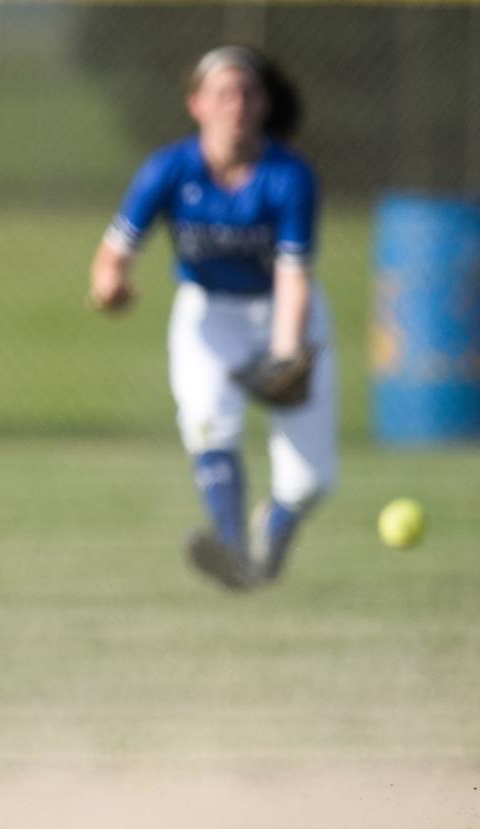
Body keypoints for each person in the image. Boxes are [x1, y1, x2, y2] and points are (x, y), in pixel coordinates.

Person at [87, 45, 337, 590]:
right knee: (208, 422)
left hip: (285, 312)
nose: (237, 104)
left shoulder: (289, 176)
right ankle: (232, 548)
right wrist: (110, 286)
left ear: (265, 104)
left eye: (248, 92)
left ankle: (274, 521)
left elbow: (295, 276)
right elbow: (114, 255)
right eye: (223, 93)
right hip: (210, 313)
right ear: (197, 104)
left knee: (311, 478)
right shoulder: (170, 169)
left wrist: (287, 351)